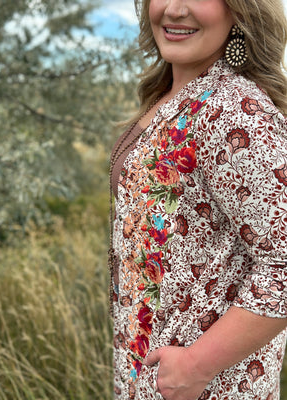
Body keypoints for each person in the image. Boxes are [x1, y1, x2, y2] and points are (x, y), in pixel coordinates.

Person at [109, 0, 287, 399]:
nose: (173, 8)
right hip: (151, 378)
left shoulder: (232, 112)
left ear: (241, 10)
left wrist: (197, 364)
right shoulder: (174, 95)